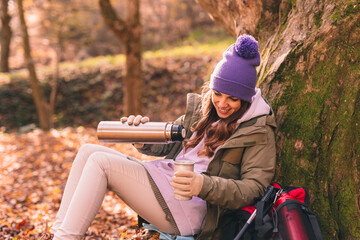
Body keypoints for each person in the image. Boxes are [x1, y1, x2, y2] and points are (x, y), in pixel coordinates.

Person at [42, 34, 277, 240]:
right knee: (87, 152)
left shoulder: (257, 130)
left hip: (190, 207)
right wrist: (141, 136)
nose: (222, 104)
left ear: (245, 99)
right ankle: (58, 233)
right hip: (164, 180)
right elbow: (168, 143)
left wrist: (203, 184)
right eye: (217, 93)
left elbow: (253, 188)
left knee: (100, 163)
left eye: (232, 99)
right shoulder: (205, 112)